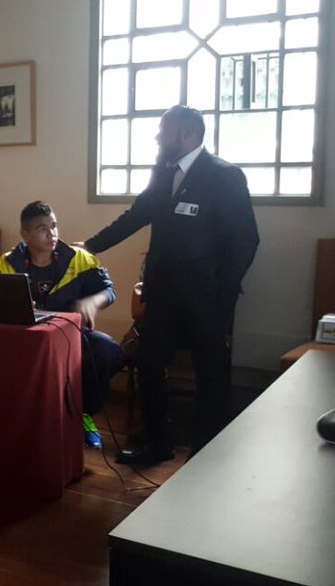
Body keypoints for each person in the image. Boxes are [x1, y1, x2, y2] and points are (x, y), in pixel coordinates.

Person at [83, 105, 259, 464]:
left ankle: (206, 454)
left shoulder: (224, 176)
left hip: (206, 299)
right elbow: (136, 216)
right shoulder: (163, 171)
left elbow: (246, 241)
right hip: (162, 295)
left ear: (187, 134)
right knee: (148, 365)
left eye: (164, 130)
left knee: (210, 376)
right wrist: (88, 247)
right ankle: (157, 444)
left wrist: (224, 293)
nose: (157, 137)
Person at [0, 201, 125, 449]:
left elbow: (109, 291)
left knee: (108, 351)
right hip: (26, 341)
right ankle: (24, 420)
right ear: (25, 235)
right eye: (42, 228)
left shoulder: (78, 258)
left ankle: (84, 413)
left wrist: (93, 301)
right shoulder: (5, 265)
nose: (51, 233)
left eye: (54, 226)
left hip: (70, 335)